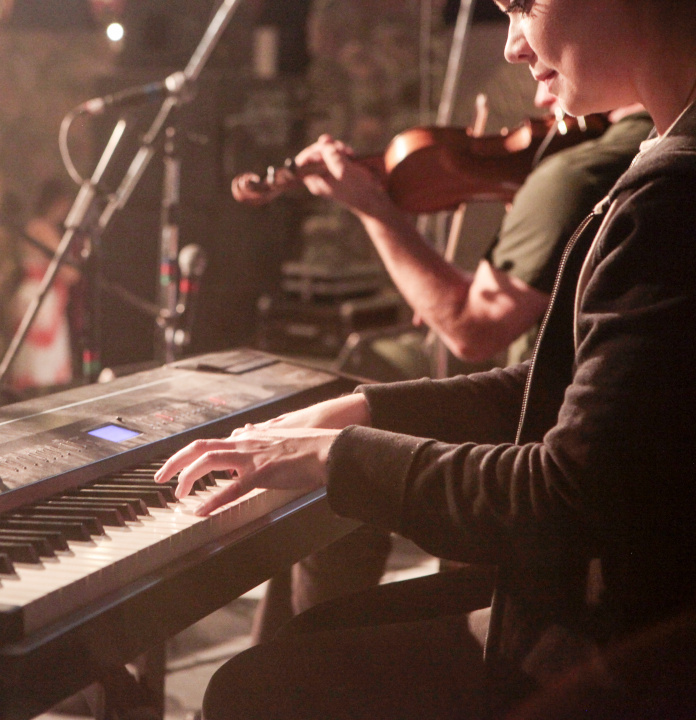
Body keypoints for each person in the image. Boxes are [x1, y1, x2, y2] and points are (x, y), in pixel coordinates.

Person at [156, 0, 696, 717]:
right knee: (317, 633)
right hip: (643, 602)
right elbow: (568, 395)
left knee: (251, 689)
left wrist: (338, 460)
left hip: (631, 649)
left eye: (522, 6)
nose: (510, 47)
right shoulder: (663, 161)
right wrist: (370, 409)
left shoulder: (670, 199)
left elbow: (567, 496)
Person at [252, 90, 654, 642]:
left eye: (521, 6)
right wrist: (366, 412)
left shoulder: (582, 173)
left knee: (322, 486)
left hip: (547, 514)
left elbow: (471, 327)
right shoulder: (642, 153)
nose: (529, 75)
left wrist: (375, 210)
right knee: (331, 434)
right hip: (557, 456)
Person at [6, 178, 81, 391]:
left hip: (38, 298)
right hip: (40, 302)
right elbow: (69, 272)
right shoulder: (41, 228)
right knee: (40, 372)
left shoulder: (35, 227)